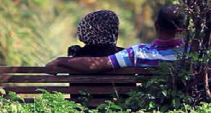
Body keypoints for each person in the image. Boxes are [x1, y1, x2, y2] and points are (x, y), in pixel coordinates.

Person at [45, 6, 188, 72]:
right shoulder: (193, 53)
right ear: (183, 29)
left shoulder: (138, 53)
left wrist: (61, 60)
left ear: (156, 25)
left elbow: (96, 64)